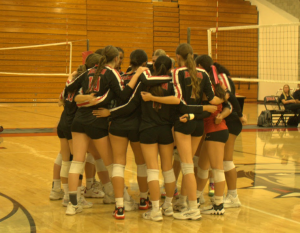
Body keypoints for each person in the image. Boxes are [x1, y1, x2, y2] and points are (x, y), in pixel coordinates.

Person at [64, 45, 141, 215]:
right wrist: (136, 77)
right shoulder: (111, 73)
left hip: (79, 120)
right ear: (115, 59)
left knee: (77, 162)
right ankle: (122, 199)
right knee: (111, 164)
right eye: (119, 58)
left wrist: (82, 97)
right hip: (97, 120)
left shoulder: (89, 71)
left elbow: (69, 88)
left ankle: (72, 205)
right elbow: (123, 95)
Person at [195, 55, 247, 209]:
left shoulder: (219, 79)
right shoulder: (208, 79)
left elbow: (230, 99)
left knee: (225, 161)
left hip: (229, 122)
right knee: (203, 163)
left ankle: (232, 196)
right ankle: (197, 196)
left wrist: (239, 114)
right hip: (220, 121)